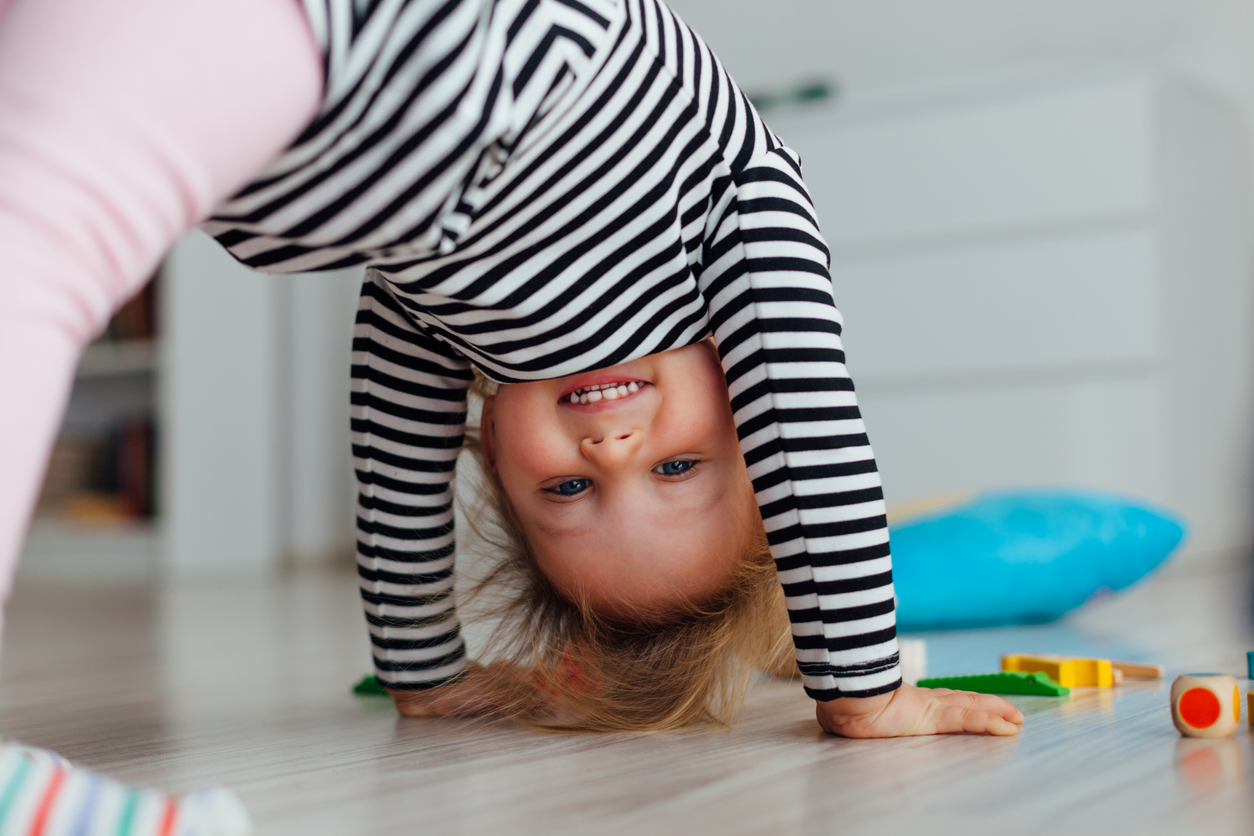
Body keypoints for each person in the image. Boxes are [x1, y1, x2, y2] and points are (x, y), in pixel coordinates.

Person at [0, 0, 1022, 831]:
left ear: (491, 444)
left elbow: (391, 444)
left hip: (274, 119)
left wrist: (426, 669)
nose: (614, 447)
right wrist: (863, 684)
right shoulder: (734, 203)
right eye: (679, 470)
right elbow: (811, 417)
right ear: (748, 415)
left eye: (570, 490)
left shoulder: (462, 329)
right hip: (454, 50)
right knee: (33, 264)